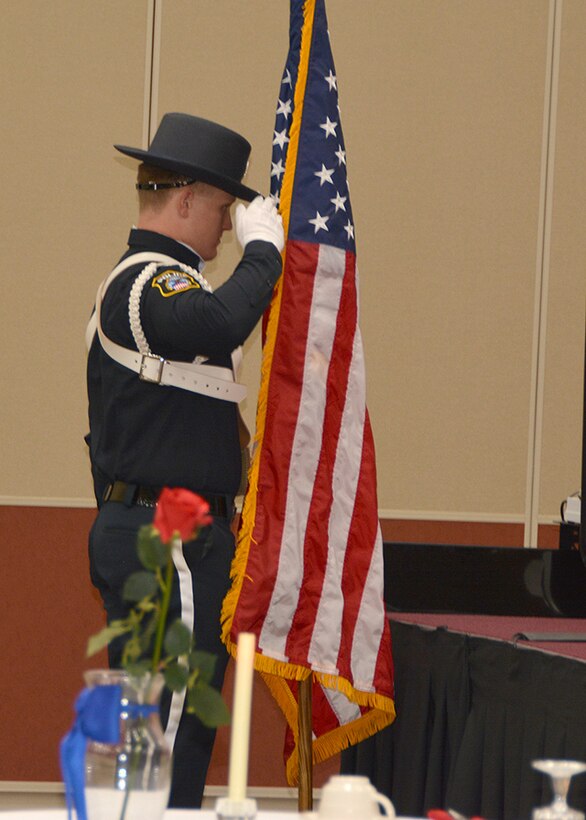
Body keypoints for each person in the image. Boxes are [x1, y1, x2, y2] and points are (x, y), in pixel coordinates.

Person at [85, 112, 284, 807]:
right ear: (189, 198)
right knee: (166, 740)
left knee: (156, 740)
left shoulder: (164, 283)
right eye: (227, 210)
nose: (230, 228)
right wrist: (268, 257)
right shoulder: (147, 282)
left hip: (163, 536)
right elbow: (220, 322)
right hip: (164, 539)